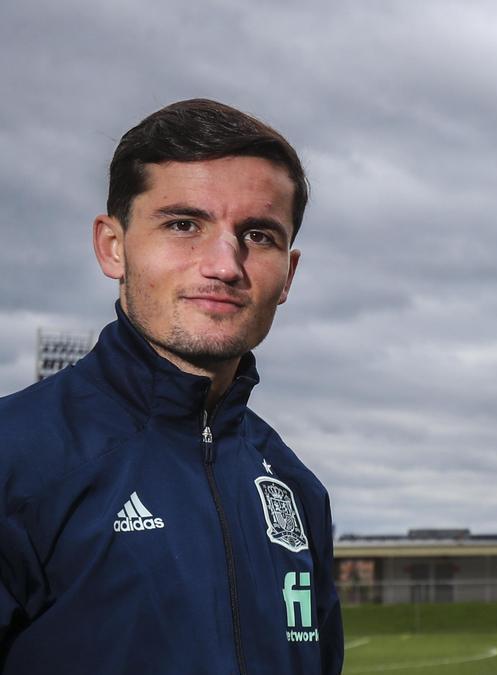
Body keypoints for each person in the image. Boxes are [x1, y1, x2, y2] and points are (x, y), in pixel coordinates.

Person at [0, 99, 343, 673]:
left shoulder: (295, 489)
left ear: (289, 274)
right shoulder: (15, 460)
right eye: (184, 224)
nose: (224, 264)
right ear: (113, 246)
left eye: (258, 235)